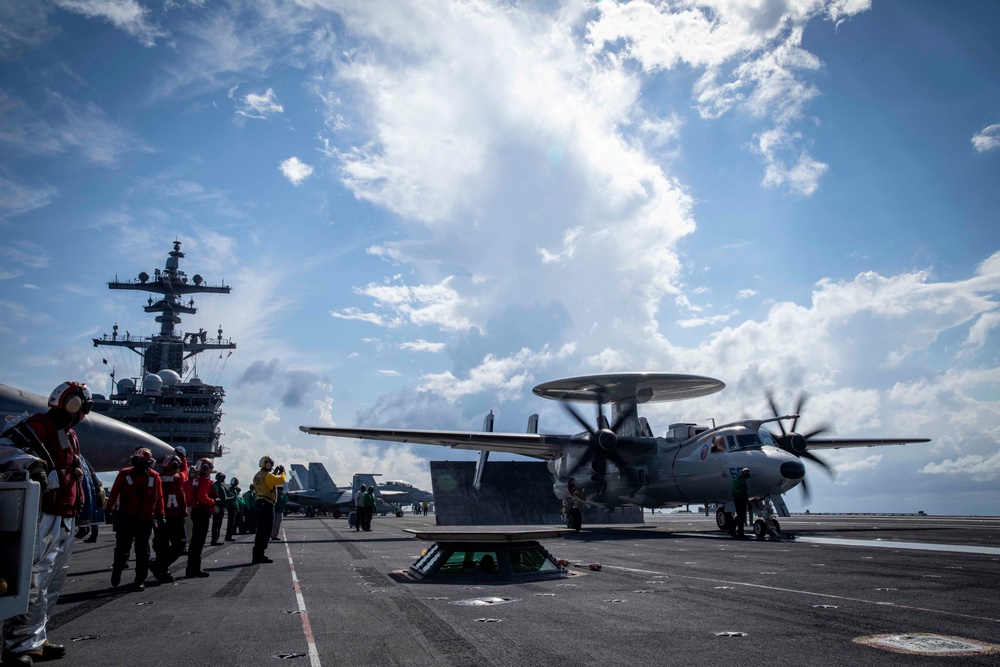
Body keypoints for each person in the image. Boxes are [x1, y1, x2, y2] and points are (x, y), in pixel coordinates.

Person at [0, 381, 90, 666]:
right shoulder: (38, 425)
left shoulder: (70, 435)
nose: (83, 415)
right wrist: (31, 464)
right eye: (83, 409)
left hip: (66, 515)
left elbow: (73, 471)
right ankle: (19, 645)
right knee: (36, 579)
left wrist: (85, 503)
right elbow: (4, 446)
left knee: (54, 581)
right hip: (44, 514)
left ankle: (37, 637)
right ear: (74, 405)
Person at [104, 447, 163, 592]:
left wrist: (161, 515)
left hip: (145, 519)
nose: (140, 465)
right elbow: (114, 492)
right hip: (126, 517)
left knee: (143, 551)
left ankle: (140, 580)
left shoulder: (155, 477)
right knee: (122, 548)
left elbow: (159, 497)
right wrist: (108, 510)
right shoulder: (125, 474)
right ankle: (117, 570)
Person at [150, 454, 188, 583]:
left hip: (159, 516)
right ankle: (159, 566)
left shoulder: (156, 477)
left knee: (161, 546)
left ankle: (163, 572)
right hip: (174, 516)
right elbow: (185, 473)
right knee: (180, 543)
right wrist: (183, 459)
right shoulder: (178, 478)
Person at [251, 456, 286, 564]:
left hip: (259, 503)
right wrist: (283, 472)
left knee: (260, 531)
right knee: (266, 531)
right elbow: (281, 480)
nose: (271, 466)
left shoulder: (257, 475)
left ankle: (257, 554)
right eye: (271, 464)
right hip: (267, 504)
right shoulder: (267, 476)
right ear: (267, 464)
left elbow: (269, 482)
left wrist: (274, 473)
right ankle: (259, 555)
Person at [186, 458, 217, 578]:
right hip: (202, 513)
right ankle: (195, 569)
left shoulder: (197, 480)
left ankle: (191, 568)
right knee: (198, 543)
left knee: (194, 543)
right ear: (205, 468)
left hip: (196, 511)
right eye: (209, 466)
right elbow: (203, 497)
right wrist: (213, 501)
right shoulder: (205, 480)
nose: (211, 468)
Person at [76, 456, 105, 543]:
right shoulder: (85, 463)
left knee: (90, 516)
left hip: (93, 495)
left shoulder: (82, 461)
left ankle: (90, 533)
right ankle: (87, 531)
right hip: (94, 494)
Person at [730, 467, 751, 539]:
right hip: (738, 499)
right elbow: (733, 489)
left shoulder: (743, 480)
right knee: (740, 516)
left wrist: (747, 500)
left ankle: (740, 532)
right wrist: (740, 492)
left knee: (742, 517)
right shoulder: (737, 480)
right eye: (747, 474)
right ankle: (732, 530)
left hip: (743, 499)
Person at [210, 471, 229, 545]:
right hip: (218, 506)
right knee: (216, 523)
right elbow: (215, 496)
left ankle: (216, 539)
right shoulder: (216, 485)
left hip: (222, 506)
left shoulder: (221, 485)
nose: (224, 479)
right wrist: (216, 506)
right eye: (222, 477)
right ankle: (214, 540)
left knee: (219, 523)